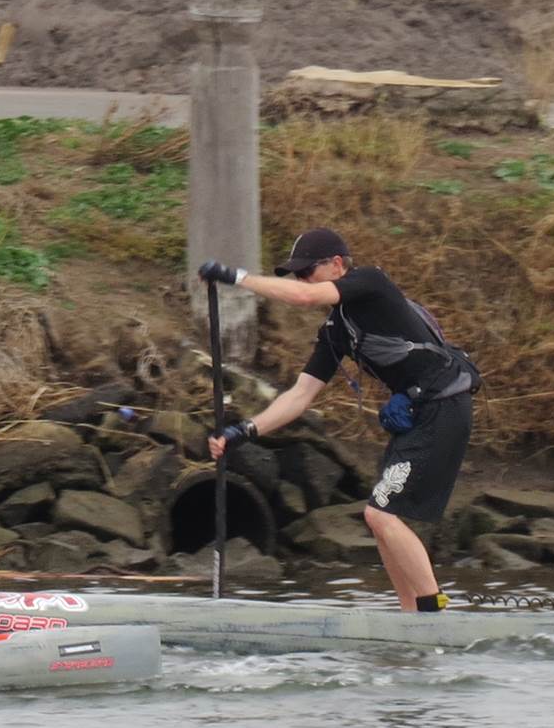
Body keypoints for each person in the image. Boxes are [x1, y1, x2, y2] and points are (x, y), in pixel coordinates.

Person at [197, 229, 480, 613]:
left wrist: (236, 278)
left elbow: (303, 297)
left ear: (337, 264)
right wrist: (243, 431)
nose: (301, 280)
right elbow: (300, 395)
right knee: (383, 519)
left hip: (444, 407)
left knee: (380, 514)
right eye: (296, 274)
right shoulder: (336, 332)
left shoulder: (371, 282)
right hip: (419, 415)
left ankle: (434, 613)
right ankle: (411, 616)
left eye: (307, 271)